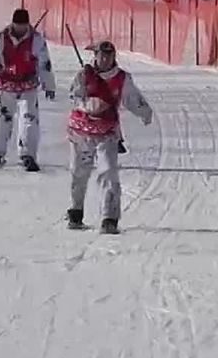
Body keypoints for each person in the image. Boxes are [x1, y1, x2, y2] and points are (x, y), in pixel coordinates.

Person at [66, 40, 154, 234]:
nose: (105, 59)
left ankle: (109, 218)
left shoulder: (121, 78)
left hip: (107, 132)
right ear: (95, 56)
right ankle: (76, 211)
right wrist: (89, 104)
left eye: (109, 56)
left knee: (108, 172)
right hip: (81, 130)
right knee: (79, 172)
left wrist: (144, 112)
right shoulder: (84, 75)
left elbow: (132, 98)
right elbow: (75, 96)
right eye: (101, 55)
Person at [0, 8, 56, 172]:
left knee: (29, 119)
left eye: (23, 26)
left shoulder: (36, 40)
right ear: (13, 23)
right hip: (5, 83)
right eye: (18, 25)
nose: (20, 29)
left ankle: (28, 154)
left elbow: (44, 62)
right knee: (0, 119)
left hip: (27, 84)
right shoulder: (2, 37)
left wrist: (48, 84)